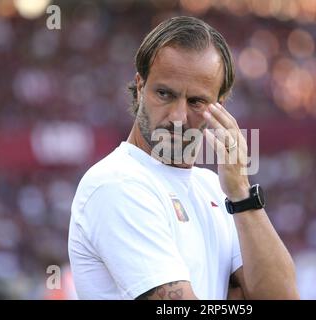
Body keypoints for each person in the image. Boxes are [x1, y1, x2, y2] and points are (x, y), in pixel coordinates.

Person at [68, 16, 299, 300]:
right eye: (165, 94)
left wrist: (241, 193)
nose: (178, 118)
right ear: (140, 87)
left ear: (219, 106)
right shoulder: (116, 183)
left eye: (196, 102)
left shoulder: (215, 188)